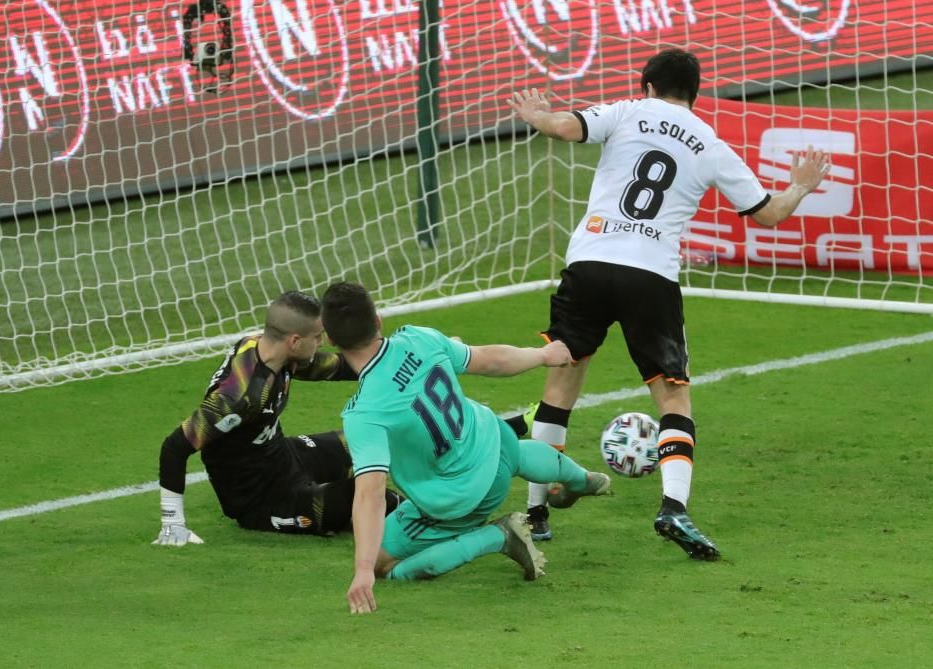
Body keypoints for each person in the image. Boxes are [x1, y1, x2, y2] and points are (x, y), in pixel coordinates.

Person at [507, 48, 831, 558]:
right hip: (651, 276)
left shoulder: (628, 111)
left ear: (648, 86)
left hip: (589, 263)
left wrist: (536, 116)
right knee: (672, 399)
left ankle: (537, 513)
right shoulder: (709, 142)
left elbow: (566, 127)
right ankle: (673, 507)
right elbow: (769, 215)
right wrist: (801, 186)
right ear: (694, 94)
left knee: (561, 381)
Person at [320, 281, 610, 614]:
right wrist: (543, 355)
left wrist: (363, 569)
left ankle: (498, 536)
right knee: (518, 451)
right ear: (378, 320)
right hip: (496, 440)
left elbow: (370, 494)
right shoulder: (419, 338)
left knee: (384, 565)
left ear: (330, 341)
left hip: (464, 498)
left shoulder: (364, 413)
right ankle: (581, 479)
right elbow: (489, 359)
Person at [152, 290, 397, 545]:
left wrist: (393, 363)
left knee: (378, 438)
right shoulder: (239, 398)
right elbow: (174, 447)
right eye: (317, 337)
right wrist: (173, 524)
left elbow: (334, 367)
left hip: (284, 456)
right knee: (375, 499)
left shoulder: (274, 352)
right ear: (294, 341)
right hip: (264, 499)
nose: (323, 342)